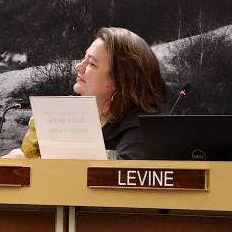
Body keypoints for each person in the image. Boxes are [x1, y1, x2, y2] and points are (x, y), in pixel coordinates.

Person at [12, 27, 167, 159]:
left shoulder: (142, 126)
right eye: (83, 58)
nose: (79, 66)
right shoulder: (63, 113)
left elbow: (121, 178)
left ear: (120, 80)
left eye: (91, 63)